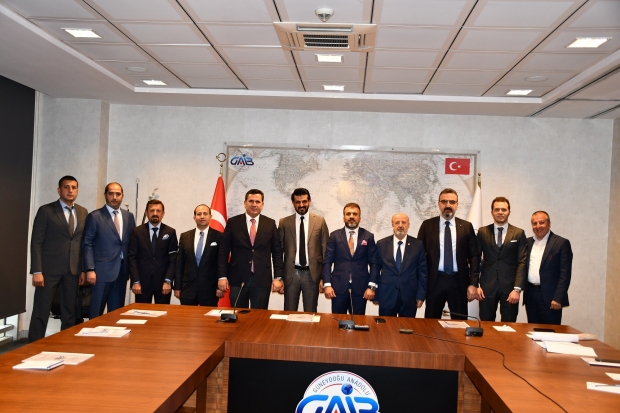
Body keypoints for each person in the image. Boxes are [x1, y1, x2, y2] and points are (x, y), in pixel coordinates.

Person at [28, 176, 88, 342]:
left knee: (69, 312)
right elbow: (36, 242)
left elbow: (82, 243)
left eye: (73, 187)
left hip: (73, 270)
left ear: (77, 191)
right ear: (59, 190)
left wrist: (83, 269)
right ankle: (33, 345)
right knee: (41, 310)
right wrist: (37, 270)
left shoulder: (83, 212)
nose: (70, 190)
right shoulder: (46, 211)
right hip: (48, 270)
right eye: (66, 187)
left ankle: (65, 344)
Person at [417, 188, 479, 320]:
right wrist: (420, 285)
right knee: (431, 323)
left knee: (460, 323)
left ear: (457, 204)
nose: (448, 205)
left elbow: (474, 256)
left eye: (452, 202)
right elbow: (419, 257)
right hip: (435, 281)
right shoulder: (427, 225)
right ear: (439, 204)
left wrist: (473, 283)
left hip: (459, 282)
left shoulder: (466, 226)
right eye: (444, 201)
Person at [217, 189, 283, 309]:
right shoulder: (233, 222)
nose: (254, 204)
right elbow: (223, 251)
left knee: (259, 316)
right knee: (237, 314)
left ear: (262, 204)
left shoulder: (270, 223)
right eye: (251, 201)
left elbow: (277, 253)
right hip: (237, 278)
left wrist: (278, 277)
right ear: (245, 203)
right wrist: (222, 276)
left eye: (257, 202)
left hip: (262, 279)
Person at [82, 182, 136, 318]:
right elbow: (87, 244)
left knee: (116, 314)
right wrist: (90, 269)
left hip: (122, 272)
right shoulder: (95, 216)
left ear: (122, 195)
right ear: (105, 195)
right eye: (111, 194)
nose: (115, 197)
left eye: (118, 194)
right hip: (100, 273)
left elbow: (131, 244)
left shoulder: (129, 217)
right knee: (96, 313)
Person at [473, 197, 527, 322]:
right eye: (497, 209)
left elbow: (522, 262)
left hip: (510, 289)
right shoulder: (482, 232)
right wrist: (477, 285)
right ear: (492, 212)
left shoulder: (519, 233)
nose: (500, 212)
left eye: (504, 209)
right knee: (486, 324)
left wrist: (517, 289)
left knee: (509, 325)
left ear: (509, 212)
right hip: (486, 288)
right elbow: (476, 258)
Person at [322, 203, 379, 315]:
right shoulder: (334, 236)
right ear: (344, 217)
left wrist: (371, 287)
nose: (351, 216)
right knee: (338, 320)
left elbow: (374, 263)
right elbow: (327, 262)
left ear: (359, 217)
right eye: (348, 214)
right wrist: (327, 285)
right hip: (338, 287)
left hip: (361, 287)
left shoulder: (368, 236)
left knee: (358, 321)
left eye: (355, 214)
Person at [278, 188, 329, 312]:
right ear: (293, 203)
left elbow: (325, 251)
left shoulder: (320, 221)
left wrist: (324, 278)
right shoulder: (284, 222)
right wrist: (279, 277)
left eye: (304, 201)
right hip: (291, 275)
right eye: (298, 202)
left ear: (309, 201)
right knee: (289, 312)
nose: (301, 205)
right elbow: (278, 252)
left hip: (312, 275)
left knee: (310, 313)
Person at [524, 211, 573, 324]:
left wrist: (558, 298)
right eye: (535, 223)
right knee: (532, 330)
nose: (538, 226)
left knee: (550, 331)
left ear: (549, 224)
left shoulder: (561, 243)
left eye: (542, 222)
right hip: (531, 295)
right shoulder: (527, 242)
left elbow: (565, 274)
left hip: (551, 297)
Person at [376, 213, 428, 317]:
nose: (400, 225)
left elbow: (423, 273)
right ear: (392, 225)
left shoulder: (418, 245)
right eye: (397, 223)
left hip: (409, 297)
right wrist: (376, 294)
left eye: (403, 222)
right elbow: (376, 269)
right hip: (386, 295)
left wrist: (420, 296)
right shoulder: (381, 244)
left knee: (407, 326)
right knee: (386, 326)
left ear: (408, 225)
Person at [128, 200, 178, 304]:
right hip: (141, 283)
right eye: (152, 210)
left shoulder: (170, 232)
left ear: (163, 213)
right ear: (146, 213)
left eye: (158, 211)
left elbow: (173, 259)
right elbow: (132, 257)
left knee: (162, 312)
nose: (155, 213)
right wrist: (135, 281)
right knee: (141, 312)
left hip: (163, 283)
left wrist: (168, 281)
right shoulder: (137, 232)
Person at [175, 204, 223, 306]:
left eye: (205, 214)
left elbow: (221, 263)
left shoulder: (219, 236)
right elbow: (180, 264)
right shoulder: (185, 236)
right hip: (187, 289)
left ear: (210, 216)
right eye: (199, 214)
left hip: (210, 290)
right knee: (186, 316)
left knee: (208, 316)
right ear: (194, 217)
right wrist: (177, 287)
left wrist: (219, 287)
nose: (202, 216)